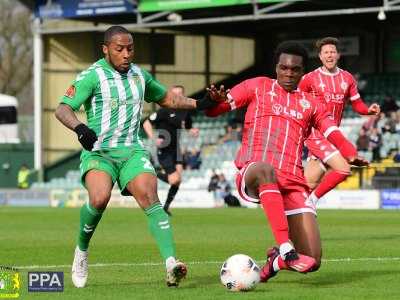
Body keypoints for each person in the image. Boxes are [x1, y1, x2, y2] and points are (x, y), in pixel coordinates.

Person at [54, 25, 217, 288]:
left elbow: (168, 100)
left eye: (130, 48)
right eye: (119, 49)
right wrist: (80, 128)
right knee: (99, 198)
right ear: (106, 49)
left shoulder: (140, 76)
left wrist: (200, 103)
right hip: (100, 152)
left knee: (150, 195)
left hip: (132, 150)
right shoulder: (92, 76)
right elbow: (62, 109)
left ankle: (171, 263)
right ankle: (82, 251)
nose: (126, 54)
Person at [205, 41, 368, 281]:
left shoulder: (311, 104)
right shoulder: (257, 86)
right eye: (284, 68)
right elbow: (213, 111)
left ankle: (277, 262)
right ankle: (285, 247)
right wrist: (213, 101)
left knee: (312, 260)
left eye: (295, 69)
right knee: (265, 169)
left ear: (303, 72)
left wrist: (350, 152)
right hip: (254, 173)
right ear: (276, 67)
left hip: (292, 181)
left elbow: (332, 130)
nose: (289, 73)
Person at [298, 37, 380, 205]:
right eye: (326, 52)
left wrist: (368, 110)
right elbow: (295, 101)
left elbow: (357, 103)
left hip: (333, 136)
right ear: (320, 56)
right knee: (343, 169)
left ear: (338, 55)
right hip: (315, 134)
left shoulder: (347, 78)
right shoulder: (309, 78)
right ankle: (311, 202)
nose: (329, 55)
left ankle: (296, 207)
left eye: (332, 52)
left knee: (309, 183)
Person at [142, 85, 199, 216]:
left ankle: (166, 207)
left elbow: (188, 126)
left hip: (177, 149)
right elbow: (146, 122)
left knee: (178, 181)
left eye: (180, 93)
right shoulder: (164, 111)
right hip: (165, 148)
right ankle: (154, 172)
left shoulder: (185, 111)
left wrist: (192, 130)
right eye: (175, 93)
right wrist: (154, 138)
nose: (178, 96)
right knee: (174, 179)